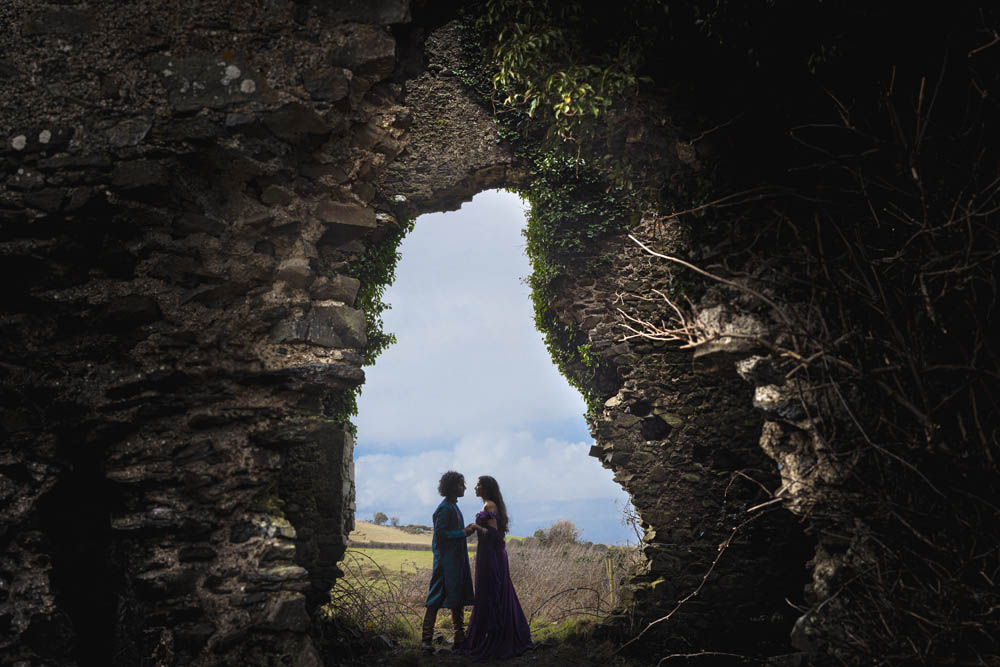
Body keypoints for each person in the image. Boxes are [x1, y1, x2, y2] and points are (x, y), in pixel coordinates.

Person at [459, 475, 533, 660]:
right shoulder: (488, 505)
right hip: (487, 554)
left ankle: (496, 635)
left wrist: (475, 527)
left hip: (492, 555)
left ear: (485, 488)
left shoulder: (489, 506)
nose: (474, 487)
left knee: (493, 592)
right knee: (490, 592)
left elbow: (494, 536)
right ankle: (491, 633)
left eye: (478, 484)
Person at [422, 471, 477, 651]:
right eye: (461, 484)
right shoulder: (445, 508)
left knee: (457, 597)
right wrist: (463, 533)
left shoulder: (453, 506)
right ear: (453, 486)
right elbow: (441, 534)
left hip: (455, 562)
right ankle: (426, 640)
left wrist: (464, 530)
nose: (465, 487)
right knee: (436, 598)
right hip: (446, 564)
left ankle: (459, 638)